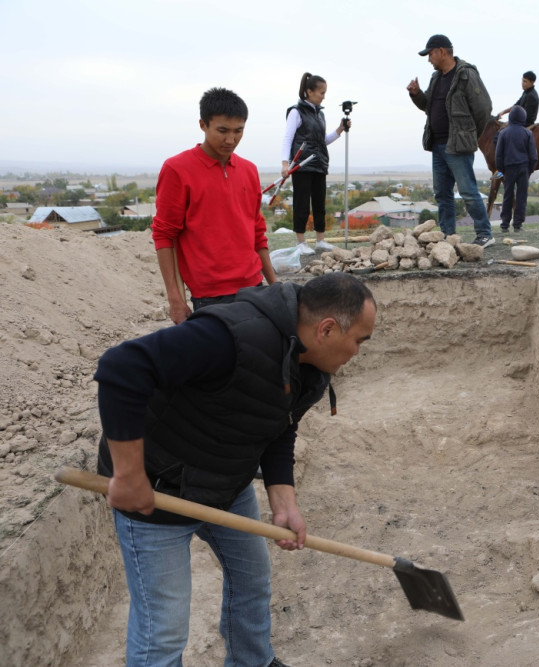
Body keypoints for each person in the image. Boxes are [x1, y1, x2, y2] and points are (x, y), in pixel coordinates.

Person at [94, 272, 377, 667]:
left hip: (225, 482)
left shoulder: (309, 363)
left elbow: (279, 425)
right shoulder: (233, 336)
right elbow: (122, 367)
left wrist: (284, 502)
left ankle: (252, 662)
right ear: (327, 329)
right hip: (155, 490)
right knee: (164, 629)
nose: (358, 352)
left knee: (251, 579)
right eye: (360, 340)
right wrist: (128, 474)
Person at [152, 87, 277, 325]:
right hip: (210, 297)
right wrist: (175, 299)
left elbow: (257, 232)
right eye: (222, 130)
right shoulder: (177, 169)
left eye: (238, 131)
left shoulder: (249, 170)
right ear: (203, 125)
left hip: (254, 288)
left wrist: (274, 286)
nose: (231, 140)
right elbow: (164, 235)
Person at [407, 34, 496, 248]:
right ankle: (447, 236)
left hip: (458, 145)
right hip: (437, 144)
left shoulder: (465, 74)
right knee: (442, 193)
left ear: (442, 52)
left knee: (468, 191)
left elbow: (484, 108)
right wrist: (417, 94)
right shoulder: (436, 77)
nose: (429, 59)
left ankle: (485, 234)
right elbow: (428, 106)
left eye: (430, 54)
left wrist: (470, 134)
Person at [282, 72, 349, 257]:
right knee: (302, 204)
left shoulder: (320, 114)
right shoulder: (296, 112)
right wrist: (285, 163)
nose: (323, 96)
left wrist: (340, 130)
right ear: (309, 91)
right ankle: (301, 242)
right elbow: (287, 138)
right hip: (301, 164)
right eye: (321, 93)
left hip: (319, 164)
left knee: (320, 203)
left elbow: (322, 141)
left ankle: (320, 240)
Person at [495, 105, 537, 233]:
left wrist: (501, 169)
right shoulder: (528, 133)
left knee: (508, 195)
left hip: (508, 168)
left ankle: (504, 224)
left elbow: (498, 155)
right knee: (521, 196)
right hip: (524, 167)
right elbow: (533, 156)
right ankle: (518, 224)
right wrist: (530, 169)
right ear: (523, 117)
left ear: (511, 117)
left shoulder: (503, 133)